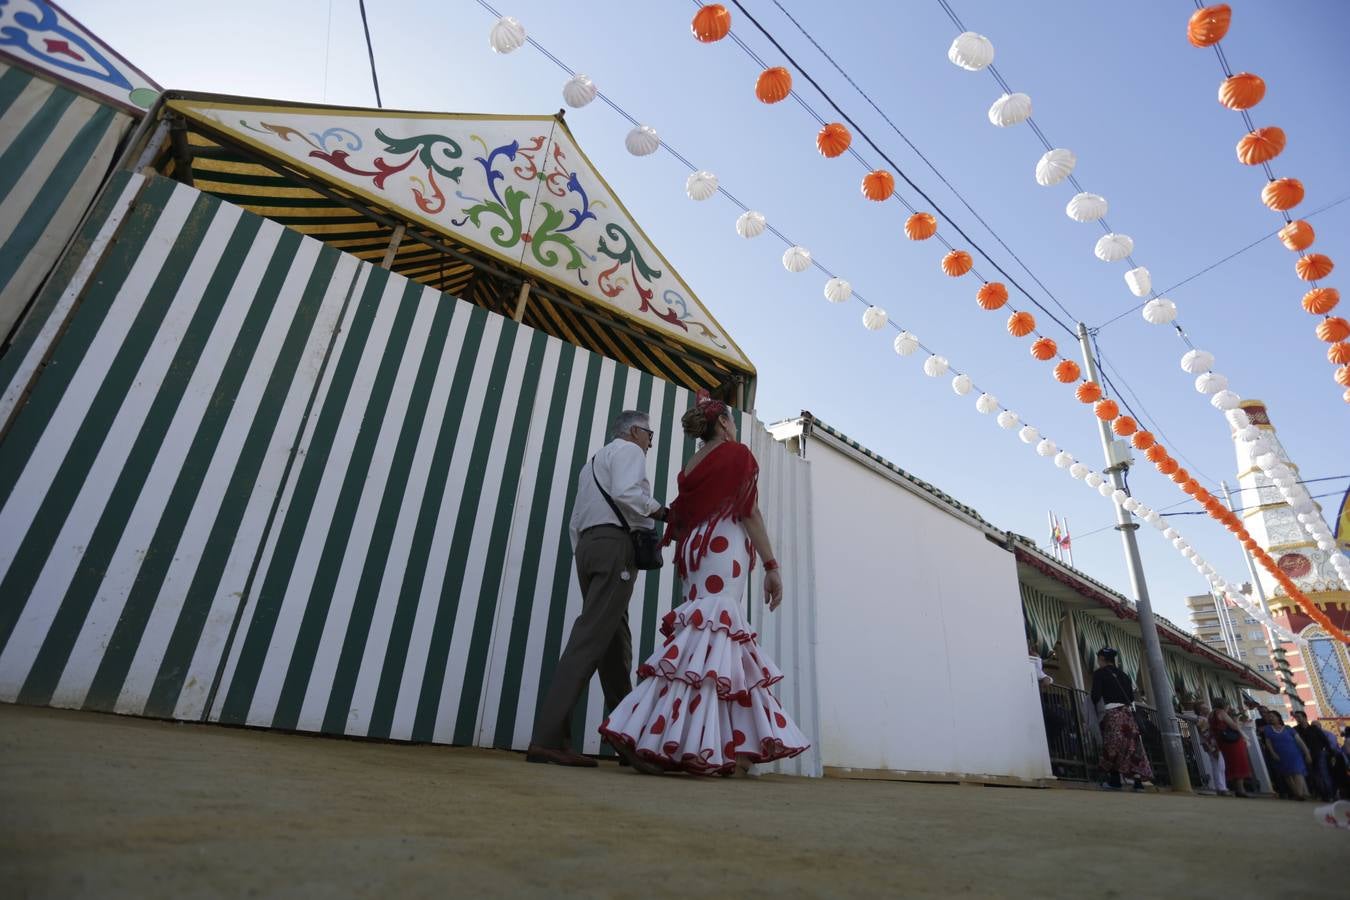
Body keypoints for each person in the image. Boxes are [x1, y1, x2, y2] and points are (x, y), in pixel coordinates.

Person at [598, 391, 810, 776]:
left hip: (695, 551)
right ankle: (676, 739)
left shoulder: (692, 464)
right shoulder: (738, 454)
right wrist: (771, 564)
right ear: (726, 422)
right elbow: (749, 511)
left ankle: (718, 748)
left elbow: (682, 514)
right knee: (714, 642)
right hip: (723, 544)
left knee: (701, 644)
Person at [527, 410, 668, 771]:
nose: (651, 442)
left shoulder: (591, 464)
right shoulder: (629, 452)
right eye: (649, 434)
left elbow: (576, 521)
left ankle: (627, 740)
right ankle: (548, 739)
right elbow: (626, 493)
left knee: (614, 647)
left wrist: (588, 552)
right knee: (590, 639)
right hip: (613, 548)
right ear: (635, 431)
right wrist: (661, 512)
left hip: (589, 549)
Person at [1090, 648, 1152, 791]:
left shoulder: (1100, 673)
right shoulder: (1124, 675)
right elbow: (1130, 697)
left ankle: (1115, 780)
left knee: (1112, 746)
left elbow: (1095, 695)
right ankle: (1137, 782)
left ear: (1101, 658)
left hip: (1112, 714)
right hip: (1127, 715)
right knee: (1133, 747)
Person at [1260, 710, 1312, 800]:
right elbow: (1268, 743)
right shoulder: (1268, 729)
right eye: (1269, 717)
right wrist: (1273, 753)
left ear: (1278, 717)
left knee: (1297, 772)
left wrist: (1307, 753)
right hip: (1280, 754)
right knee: (1287, 774)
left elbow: (1300, 742)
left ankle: (1299, 794)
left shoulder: (1288, 729)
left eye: (1272, 716)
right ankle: (1296, 793)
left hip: (1294, 754)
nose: (1271, 718)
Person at [1208, 698, 1251, 797]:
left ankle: (1232, 788)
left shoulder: (1211, 714)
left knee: (1228, 764)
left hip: (1221, 741)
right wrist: (1237, 720)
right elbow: (1234, 726)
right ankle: (1240, 790)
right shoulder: (1222, 713)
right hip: (1232, 741)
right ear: (1225, 705)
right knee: (1238, 763)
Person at [1292, 710, 1339, 802]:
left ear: (1305, 717)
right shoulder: (1296, 730)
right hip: (1306, 755)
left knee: (1323, 773)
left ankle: (1330, 795)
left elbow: (1324, 740)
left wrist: (1331, 753)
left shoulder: (1314, 728)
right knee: (1314, 775)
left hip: (1319, 753)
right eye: (1296, 717)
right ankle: (1323, 794)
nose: (1297, 719)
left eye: (1299, 716)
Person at [1193, 701, 1228, 795]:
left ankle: (1220, 787)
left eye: (1207, 707)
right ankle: (1221, 787)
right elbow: (1205, 734)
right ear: (1200, 711)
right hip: (1212, 744)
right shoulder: (1202, 720)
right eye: (1204, 708)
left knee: (1219, 765)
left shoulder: (1208, 719)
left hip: (1213, 744)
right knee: (1218, 765)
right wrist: (1212, 747)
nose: (1208, 709)